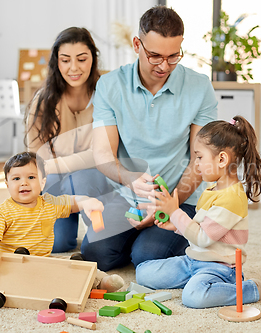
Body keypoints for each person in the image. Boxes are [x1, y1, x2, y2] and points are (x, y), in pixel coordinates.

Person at [88, 5, 218, 271]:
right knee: (95, 254)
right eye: (155, 56)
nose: (164, 66)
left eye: (173, 56)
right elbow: (103, 154)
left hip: (180, 198)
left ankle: (166, 238)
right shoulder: (110, 85)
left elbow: (199, 160)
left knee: (147, 256)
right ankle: (143, 239)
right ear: (137, 44)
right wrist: (129, 179)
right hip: (126, 197)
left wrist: (168, 205)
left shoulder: (200, 86)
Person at [136, 116, 261, 308]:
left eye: (200, 157)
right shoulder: (211, 190)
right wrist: (175, 225)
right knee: (142, 272)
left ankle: (250, 289)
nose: (196, 164)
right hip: (193, 260)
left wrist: (175, 211)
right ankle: (203, 284)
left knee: (193, 297)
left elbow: (203, 238)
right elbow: (201, 228)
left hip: (219, 268)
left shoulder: (232, 198)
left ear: (221, 159)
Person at [0, 152, 123, 292]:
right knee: (6, 280)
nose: (24, 183)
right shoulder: (2, 212)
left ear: (42, 182)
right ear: (7, 184)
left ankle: (101, 281)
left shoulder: (49, 203)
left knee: (73, 266)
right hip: (11, 265)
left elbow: (71, 201)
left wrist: (86, 202)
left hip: (43, 262)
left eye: (31, 177)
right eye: (16, 179)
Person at [25, 27, 110, 253]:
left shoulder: (107, 92)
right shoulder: (44, 99)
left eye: (82, 59)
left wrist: (56, 161)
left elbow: (103, 152)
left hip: (97, 178)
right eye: (65, 60)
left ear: (93, 58)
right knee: (58, 243)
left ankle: (103, 238)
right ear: (57, 62)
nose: (74, 68)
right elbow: (35, 156)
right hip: (56, 182)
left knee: (82, 178)